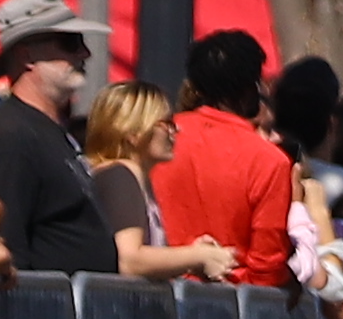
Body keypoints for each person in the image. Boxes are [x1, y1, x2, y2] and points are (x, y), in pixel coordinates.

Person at [0, 0, 122, 274]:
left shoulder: (46, 130)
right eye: (70, 42)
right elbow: (4, 242)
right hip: (43, 311)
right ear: (27, 56)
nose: (85, 53)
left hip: (73, 309)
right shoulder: (11, 137)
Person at [154, 30, 298, 273]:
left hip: (153, 294)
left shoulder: (157, 138)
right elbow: (266, 265)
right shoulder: (270, 160)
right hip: (232, 300)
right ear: (250, 88)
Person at [81, 86, 242, 284]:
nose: (177, 130)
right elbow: (129, 260)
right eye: (166, 123)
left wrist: (190, 256)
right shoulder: (120, 173)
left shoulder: (132, 174)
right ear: (133, 132)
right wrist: (196, 256)